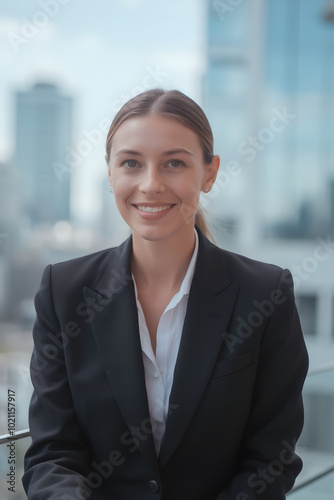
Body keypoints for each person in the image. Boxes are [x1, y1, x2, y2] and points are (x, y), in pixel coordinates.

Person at [22, 89, 309, 500]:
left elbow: (271, 459)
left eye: (174, 163)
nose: (151, 184)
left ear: (210, 174)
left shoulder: (266, 293)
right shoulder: (61, 291)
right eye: (131, 163)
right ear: (109, 173)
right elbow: (53, 453)